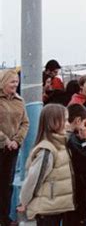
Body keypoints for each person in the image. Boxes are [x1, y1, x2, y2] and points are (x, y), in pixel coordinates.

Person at [17, 104, 75, 225]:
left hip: (56, 206)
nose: (67, 123)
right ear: (53, 122)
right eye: (64, 120)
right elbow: (34, 180)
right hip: (47, 208)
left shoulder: (62, 144)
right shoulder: (47, 150)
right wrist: (24, 201)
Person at [0, 69, 30, 226]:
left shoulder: (19, 100)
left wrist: (17, 141)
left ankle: (4, 218)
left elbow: (25, 122)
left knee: (7, 185)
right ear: (3, 81)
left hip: (12, 149)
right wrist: (5, 140)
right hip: (2, 145)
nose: (15, 84)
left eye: (16, 82)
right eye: (12, 81)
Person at [66, 104, 86, 224]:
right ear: (77, 120)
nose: (84, 126)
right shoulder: (73, 139)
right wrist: (85, 140)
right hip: (76, 182)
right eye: (83, 123)